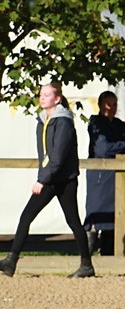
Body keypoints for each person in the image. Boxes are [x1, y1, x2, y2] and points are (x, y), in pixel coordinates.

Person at [1, 83, 94, 278]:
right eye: (41, 95)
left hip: (63, 180)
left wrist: (42, 180)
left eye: (46, 95)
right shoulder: (43, 121)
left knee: (73, 221)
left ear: (57, 99)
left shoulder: (63, 122)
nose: (42, 98)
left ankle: (86, 265)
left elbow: (58, 156)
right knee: (27, 216)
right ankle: (11, 261)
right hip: (51, 177)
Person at [84, 91, 125, 255]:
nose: (111, 108)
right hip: (100, 178)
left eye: (115, 104)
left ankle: (109, 257)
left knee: (115, 218)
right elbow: (103, 149)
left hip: (118, 177)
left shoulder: (120, 125)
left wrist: (122, 146)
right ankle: (86, 256)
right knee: (96, 217)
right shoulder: (96, 123)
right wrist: (124, 145)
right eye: (108, 104)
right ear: (100, 105)